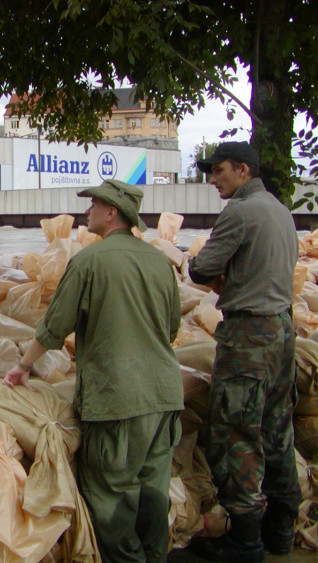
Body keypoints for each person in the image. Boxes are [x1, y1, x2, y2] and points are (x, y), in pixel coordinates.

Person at [4, 179, 183, 563]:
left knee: (110, 495)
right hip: (165, 395)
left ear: (111, 212)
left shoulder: (88, 261)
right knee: (154, 490)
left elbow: (54, 329)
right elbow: (171, 330)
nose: (87, 211)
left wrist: (22, 367)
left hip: (117, 397)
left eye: (94, 205)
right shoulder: (159, 261)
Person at [187, 142, 301, 563]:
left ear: (243, 169)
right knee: (277, 427)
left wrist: (201, 266)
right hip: (282, 332)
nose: (213, 179)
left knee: (238, 433)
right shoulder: (280, 210)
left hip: (248, 336)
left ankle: (245, 541)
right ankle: (281, 529)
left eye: (218, 171)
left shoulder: (239, 210)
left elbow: (201, 269)